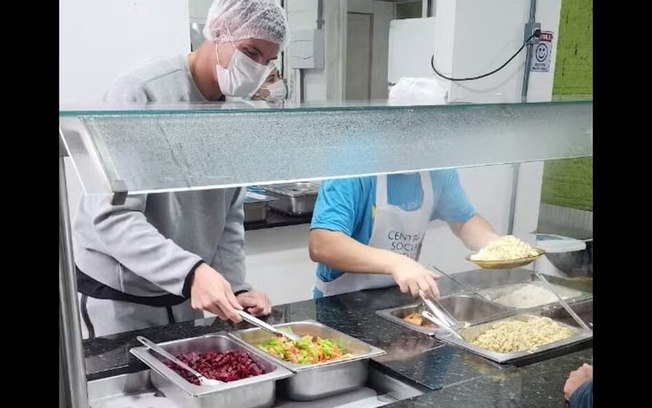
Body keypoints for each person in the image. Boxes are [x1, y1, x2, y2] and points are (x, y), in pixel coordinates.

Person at [73, 0, 289, 338]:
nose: (258, 68)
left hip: (186, 291)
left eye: (268, 60)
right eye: (250, 52)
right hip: (123, 298)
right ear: (218, 31)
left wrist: (236, 287)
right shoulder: (140, 93)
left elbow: (228, 216)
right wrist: (191, 272)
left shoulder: (237, 112)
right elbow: (111, 218)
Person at [309, 171, 500, 298]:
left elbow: (464, 220)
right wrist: (396, 262)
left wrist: (496, 247)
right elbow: (323, 244)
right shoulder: (353, 168)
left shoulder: (437, 170)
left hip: (399, 301)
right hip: (341, 303)